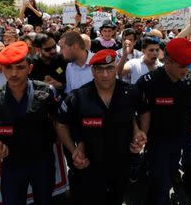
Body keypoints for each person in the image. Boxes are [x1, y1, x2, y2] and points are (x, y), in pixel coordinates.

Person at [55, 49, 147, 205]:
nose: (105, 75)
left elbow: (144, 112)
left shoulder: (131, 92)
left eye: (110, 68)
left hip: (122, 162)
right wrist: (73, 149)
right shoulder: (77, 97)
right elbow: (60, 123)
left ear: (116, 68)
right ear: (92, 71)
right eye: (99, 69)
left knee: (117, 198)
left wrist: (141, 132)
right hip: (90, 165)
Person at [0, 41, 58, 205]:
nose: (14, 73)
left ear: (30, 69)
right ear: (2, 69)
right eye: (8, 68)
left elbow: (60, 124)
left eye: (20, 67)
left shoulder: (46, 92)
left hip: (42, 163)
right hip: (11, 164)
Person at [136, 38, 191, 205]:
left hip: (180, 137)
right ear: (167, 61)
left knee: (172, 169)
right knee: (161, 184)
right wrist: (140, 133)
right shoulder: (148, 83)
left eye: (188, 65)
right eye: (181, 66)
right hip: (157, 140)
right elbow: (137, 111)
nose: (186, 70)